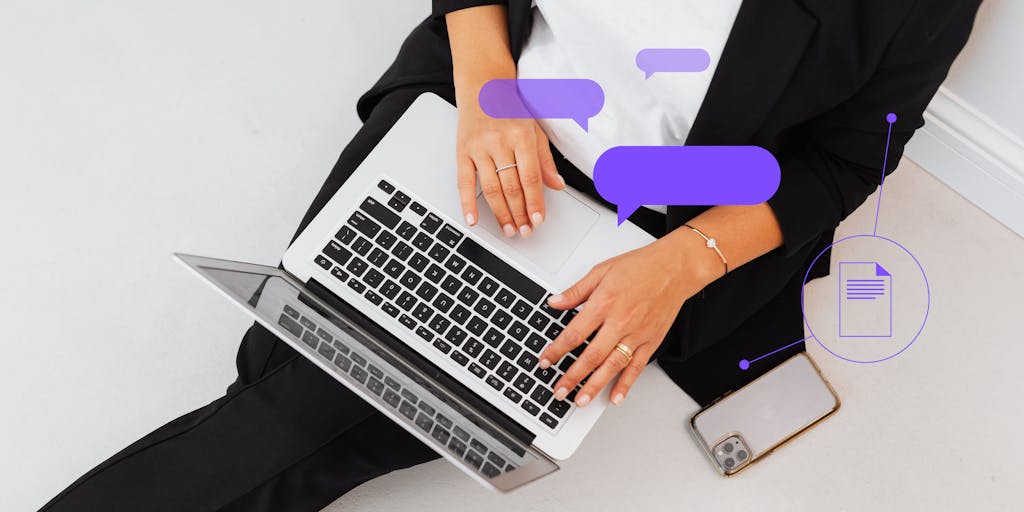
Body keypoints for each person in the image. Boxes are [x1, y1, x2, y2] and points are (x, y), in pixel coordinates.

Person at [40, 1, 979, 510]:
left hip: (640, 229)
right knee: (306, 392)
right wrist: (489, 87)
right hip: (483, 111)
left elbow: (855, 152)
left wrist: (685, 261)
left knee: (299, 402)